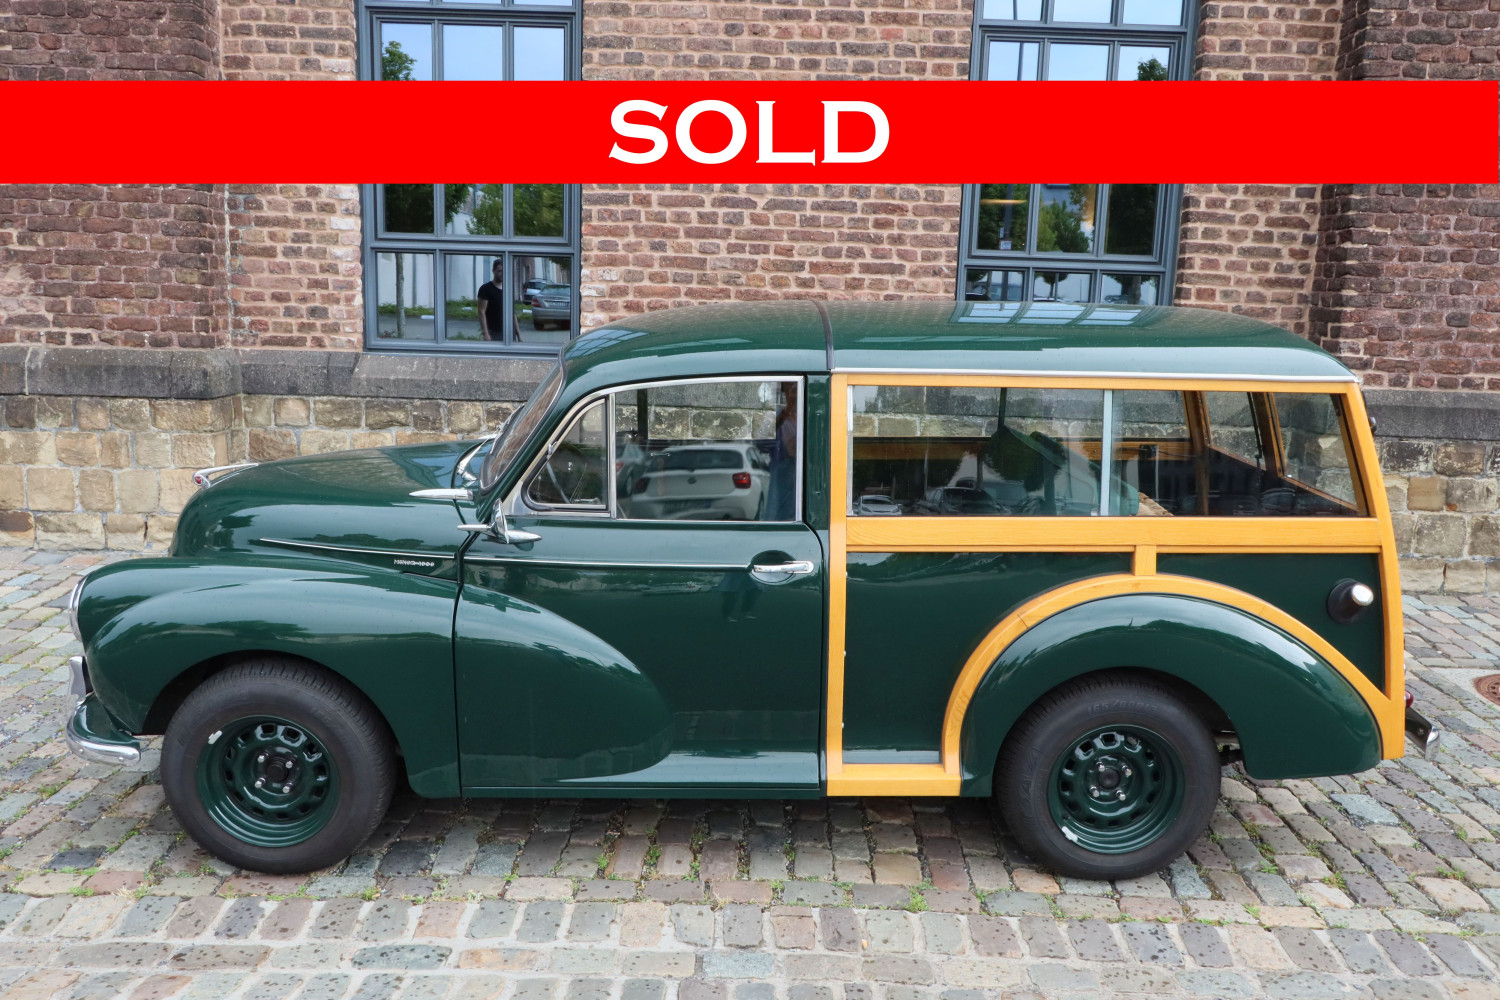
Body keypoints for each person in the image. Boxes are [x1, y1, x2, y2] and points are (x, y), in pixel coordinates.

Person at [476, 259, 511, 342]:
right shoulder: (486, 289)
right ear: (493, 271)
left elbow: (512, 313)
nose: (502, 274)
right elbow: (481, 311)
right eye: (500, 271)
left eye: (504, 271)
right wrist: (485, 333)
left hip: (509, 332)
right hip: (493, 332)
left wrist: (518, 334)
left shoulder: (508, 288)